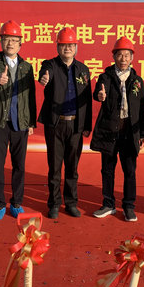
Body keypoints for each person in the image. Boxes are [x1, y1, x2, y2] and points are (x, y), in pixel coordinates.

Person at [0, 20, 37, 222]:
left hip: (20, 123)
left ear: (20, 43)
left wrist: (31, 122)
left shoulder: (26, 67)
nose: (10, 43)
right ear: (1, 41)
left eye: (14, 40)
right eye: (6, 39)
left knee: (19, 165)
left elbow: (30, 96)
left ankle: (16, 203)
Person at [90, 36, 144, 222]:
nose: (123, 59)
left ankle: (129, 206)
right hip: (109, 131)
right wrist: (100, 95)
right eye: (120, 55)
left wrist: (143, 133)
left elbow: (142, 108)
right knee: (107, 170)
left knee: (130, 170)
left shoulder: (137, 80)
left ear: (132, 58)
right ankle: (108, 204)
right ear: (114, 56)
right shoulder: (105, 77)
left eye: (127, 55)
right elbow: (98, 92)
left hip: (129, 132)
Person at [38, 27, 92, 219]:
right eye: (63, 45)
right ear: (57, 46)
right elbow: (45, 73)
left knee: (72, 167)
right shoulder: (50, 65)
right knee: (54, 167)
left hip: (76, 125)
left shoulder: (83, 70)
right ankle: (54, 204)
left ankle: (71, 203)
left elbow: (87, 99)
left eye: (70, 45)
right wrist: (45, 78)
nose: (67, 48)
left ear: (76, 47)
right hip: (55, 124)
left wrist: (87, 126)